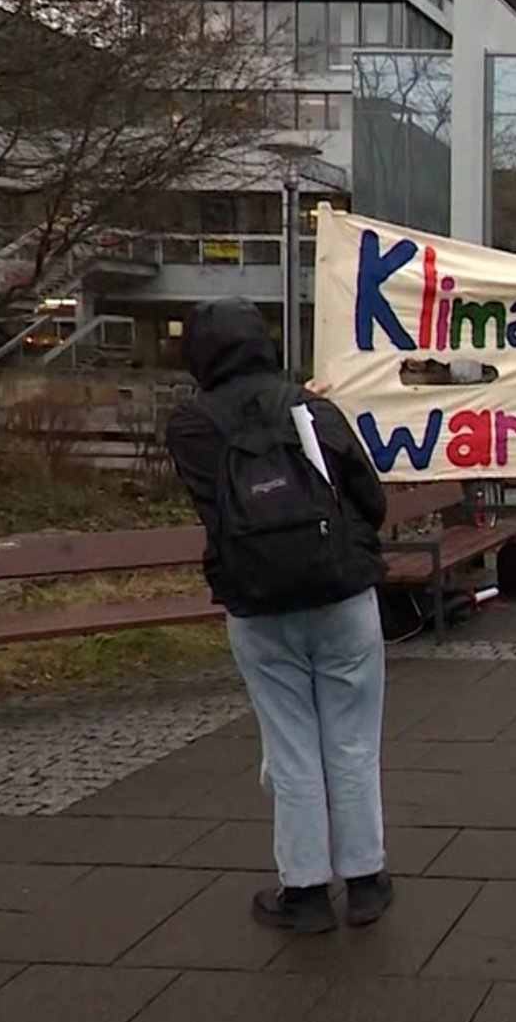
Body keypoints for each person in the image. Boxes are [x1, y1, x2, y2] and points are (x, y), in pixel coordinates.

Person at [165, 297, 394, 935]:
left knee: (291, 747)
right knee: (351, 740)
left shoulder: (191, 426)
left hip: (258, 603)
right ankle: (367, 880)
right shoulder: (311, 409)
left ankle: (307, 892)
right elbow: (369, 500)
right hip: (341, 594)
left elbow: (215, 511)